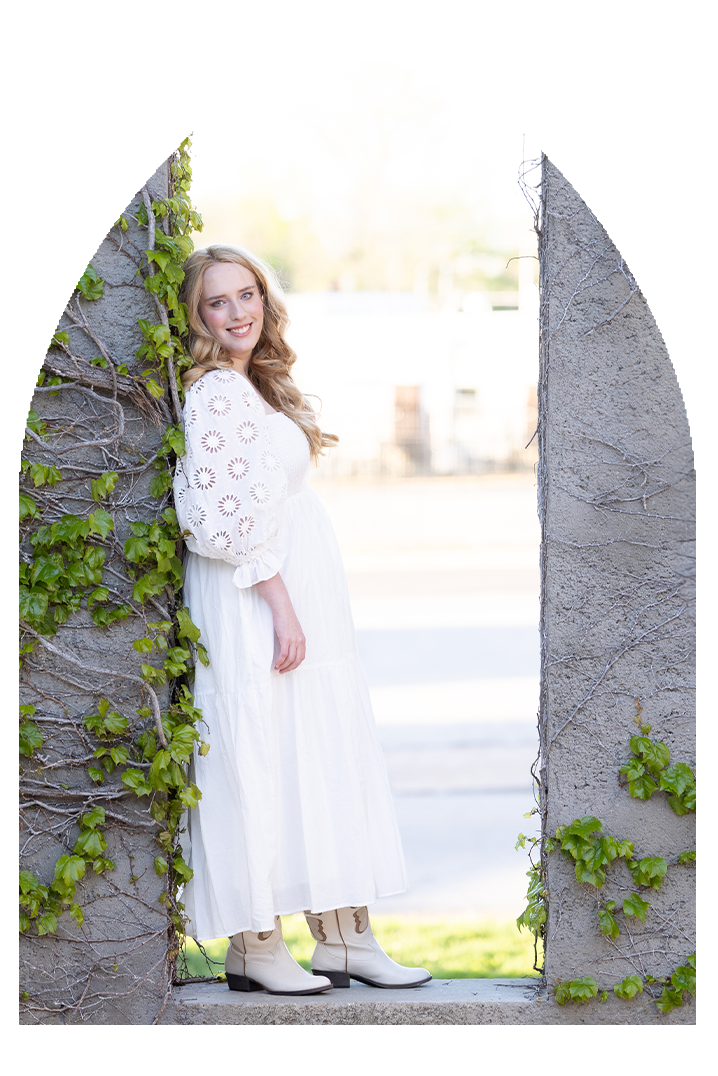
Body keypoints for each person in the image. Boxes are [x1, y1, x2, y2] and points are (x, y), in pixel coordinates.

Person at [173, 244, 432, 996]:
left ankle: (344, 938)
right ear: (196, 315)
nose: (237, 313)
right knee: (258, 758)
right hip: (256, 597)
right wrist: (282, 604)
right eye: (216, 302)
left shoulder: (256, 387)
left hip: (291, 591)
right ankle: (256, 946)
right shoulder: (216, 392)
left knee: (312, 757)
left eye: (246, 294)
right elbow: (216, 523)